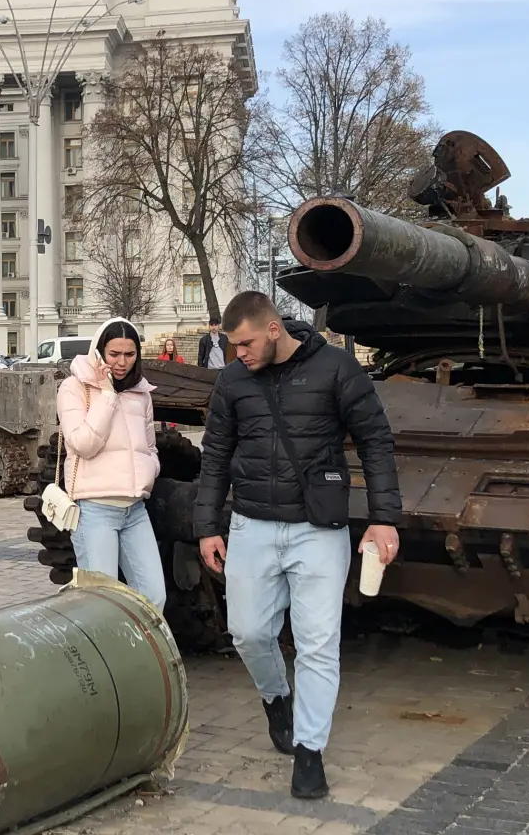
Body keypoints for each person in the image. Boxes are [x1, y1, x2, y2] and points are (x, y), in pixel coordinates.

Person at [194, 291, 401, 800]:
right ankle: (275, 697)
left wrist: (383, 519)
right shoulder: (233, 381)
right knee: (247, 633)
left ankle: (310, 751)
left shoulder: (336, 369)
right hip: (252, 526)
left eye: (245, 343)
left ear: (273, 330)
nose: (238, 353)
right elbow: (215, 453)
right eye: (232, 345)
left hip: (318, 529)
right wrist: (207, 525)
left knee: (317, 643)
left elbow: (375, 440)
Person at [56, 318, 166, 611]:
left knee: (153, 597)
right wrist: (107, 395)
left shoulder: (141, 392)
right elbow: (82, 444)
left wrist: (150, 469)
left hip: (135, 509)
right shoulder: (74, 388)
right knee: (101, 605)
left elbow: (150, 446)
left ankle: (137, 644)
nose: (122, 362)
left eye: (129, 354)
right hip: (94, 510)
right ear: (99, 351)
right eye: (114, 354)